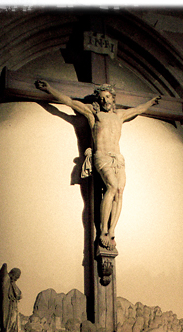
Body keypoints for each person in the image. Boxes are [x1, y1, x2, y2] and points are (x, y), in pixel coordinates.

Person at [35, 80, 161, 248]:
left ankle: (112, 230)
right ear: (98, 100)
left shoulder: (120, 116)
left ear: (112, 99)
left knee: (120, 191)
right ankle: (103, 231)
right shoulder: (93, 114)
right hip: (101, 156)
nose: (105, 101)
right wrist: (49, 89)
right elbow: (69, 102)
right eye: (101, 98)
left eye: (107, 97)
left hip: (118, 158)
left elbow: (138, 109)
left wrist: (151, 102)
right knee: (112, 186)